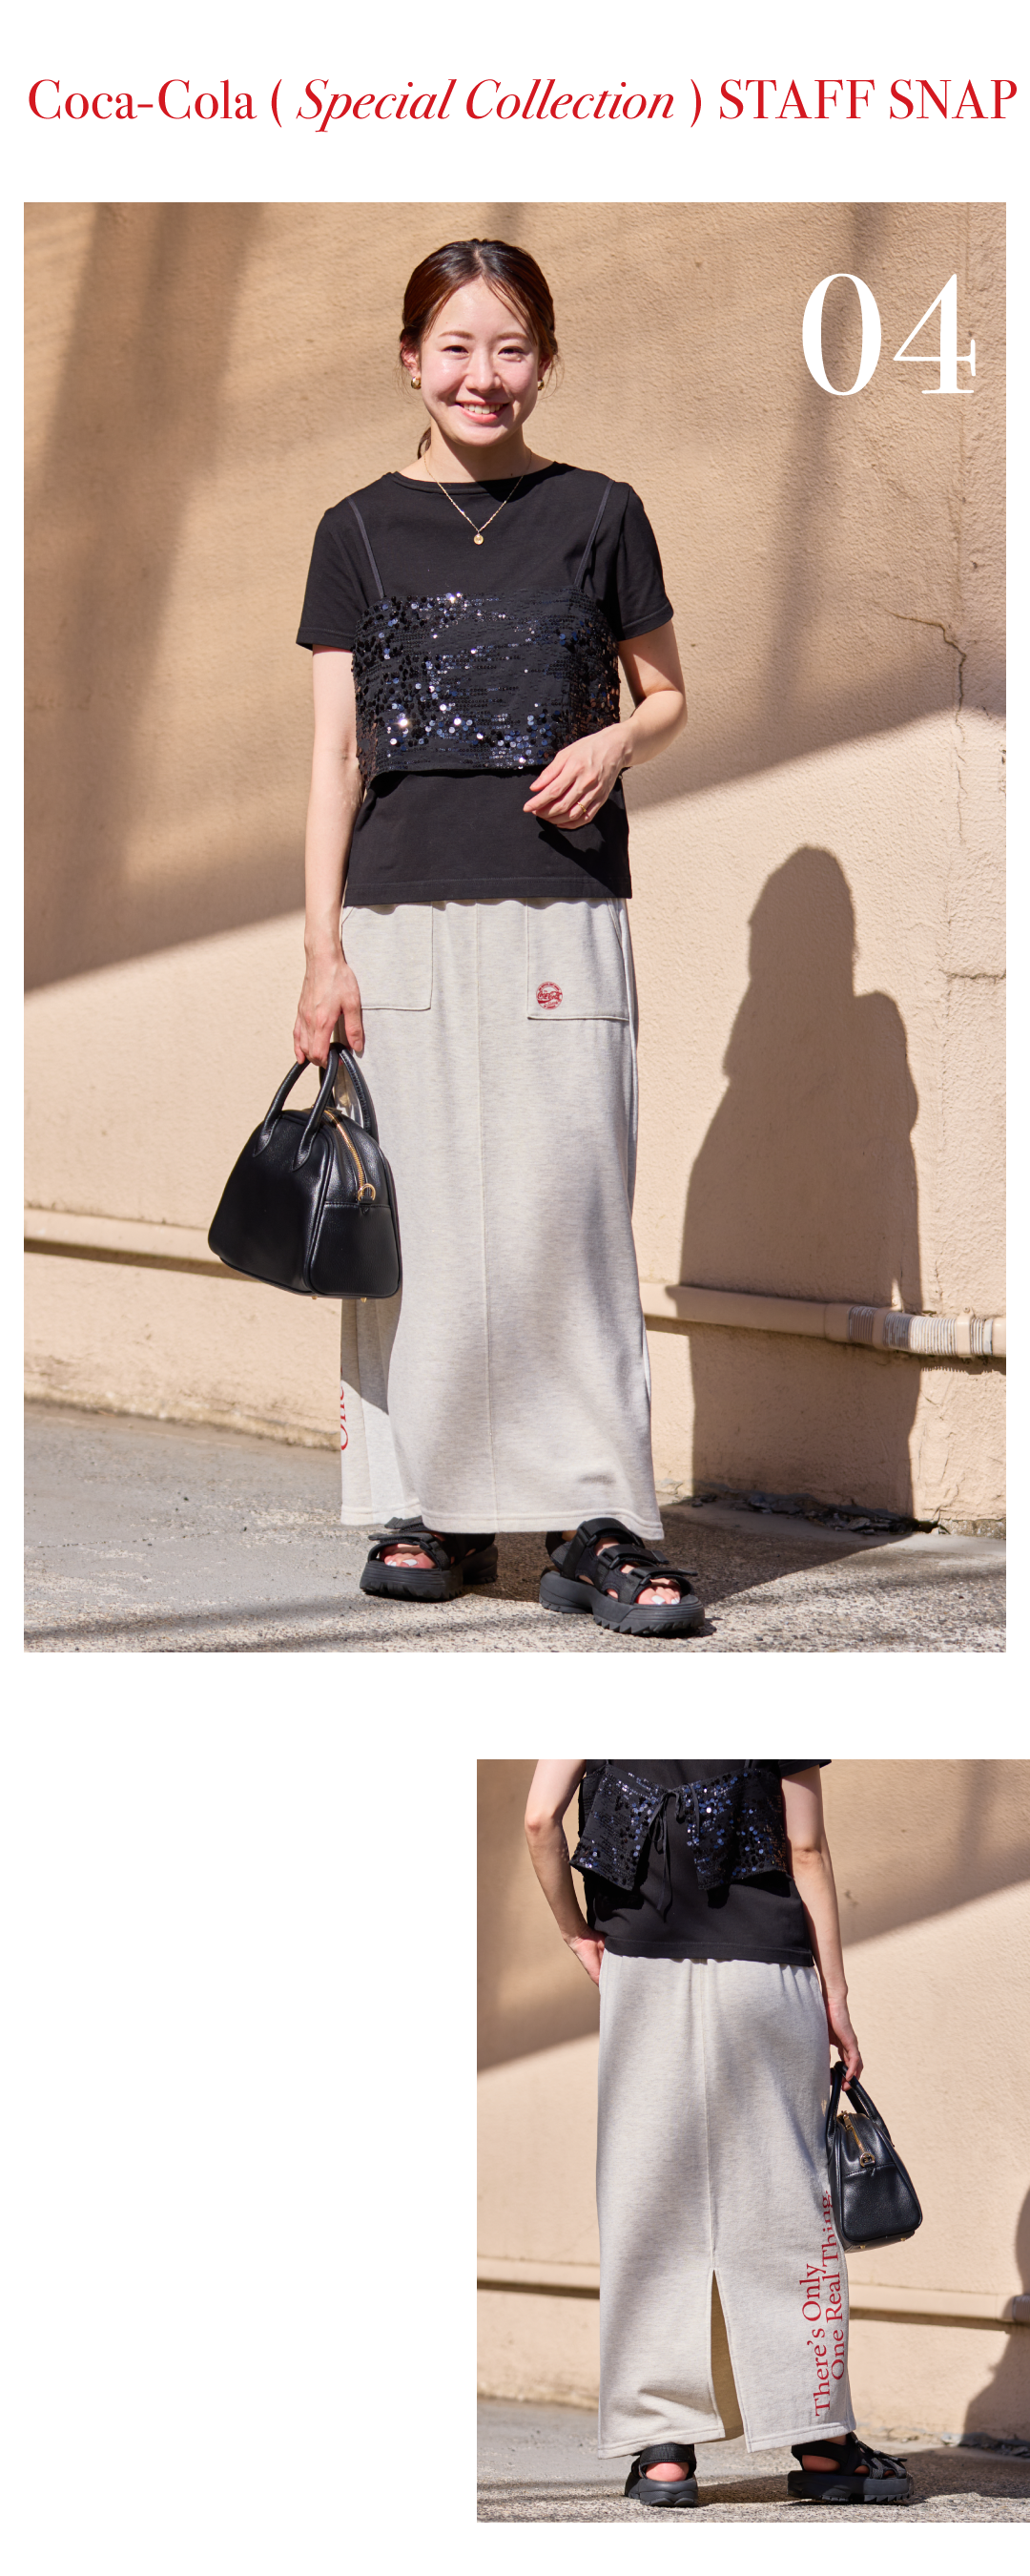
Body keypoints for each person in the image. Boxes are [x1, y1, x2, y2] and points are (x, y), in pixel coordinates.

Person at [294, 237, 703, 1636]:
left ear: (546, 360)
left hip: (559, 904)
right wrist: (320, 954)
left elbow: (667, 695)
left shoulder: (601, 512)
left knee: (566, 1213)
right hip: (395, 913)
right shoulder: (354, 530)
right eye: (457, 346)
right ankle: (432, 1508)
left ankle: (597, 1523)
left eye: (511, 347)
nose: (484, 374)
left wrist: (615, 742)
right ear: (411, 359)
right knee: (420, 1217)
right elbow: (333, 758)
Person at [523, 1758, 915, 2507]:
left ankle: (663, 2451)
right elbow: (806, 1848)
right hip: (768, 1972)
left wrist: (577, 1933)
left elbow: (540, 1820)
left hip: (642, 1969)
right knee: (788, 2207)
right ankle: (824, 2442)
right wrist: (835, 1997)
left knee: (647, 2204)